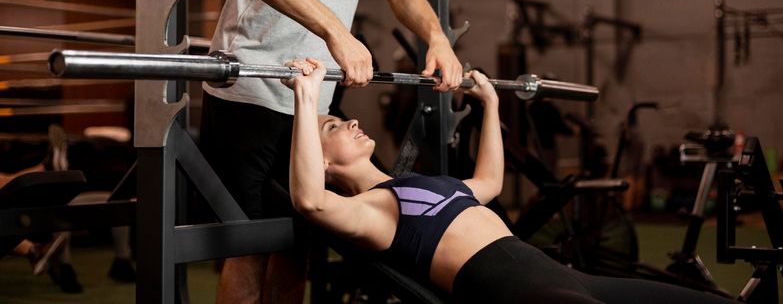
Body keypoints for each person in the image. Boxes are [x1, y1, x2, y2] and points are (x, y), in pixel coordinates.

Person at [282, 58, 737, 303]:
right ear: (321, 162)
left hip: (568, 278)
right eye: (333, 127)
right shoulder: (373, 211)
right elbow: (310, 203)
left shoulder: (422, 184)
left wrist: (491, 104)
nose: (351, 122)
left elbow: (489, 182)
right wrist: (306, 99)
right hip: (520, 291)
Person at [201, 0, 463, 303]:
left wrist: (437, 37)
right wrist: (336, 31)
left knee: (297, 246)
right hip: (251, 87)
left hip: (311, 95)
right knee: (252, 249)